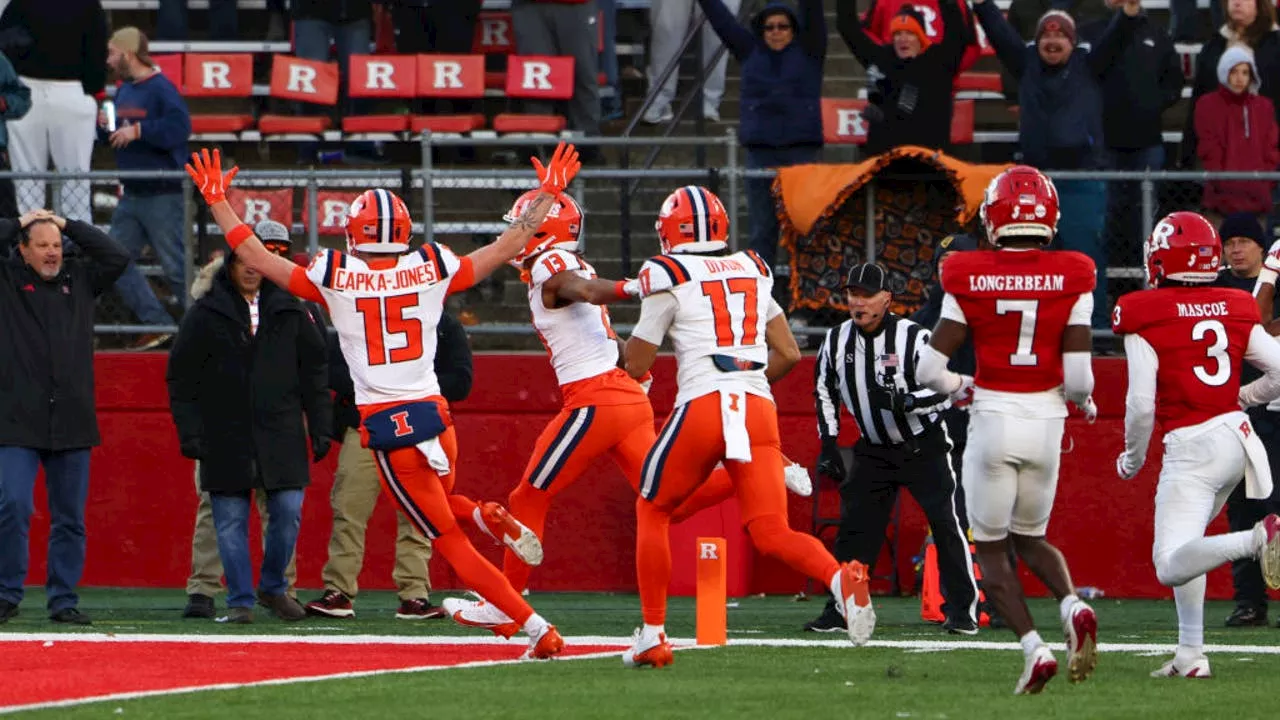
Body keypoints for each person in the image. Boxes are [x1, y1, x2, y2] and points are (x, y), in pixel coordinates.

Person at [185, 143, 582, 657]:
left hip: (392, 427)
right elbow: (509, 245)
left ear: (353, 233)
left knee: (446, 540)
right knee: (436, 512)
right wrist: (550, 193)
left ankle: (534, 627)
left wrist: (219, 200)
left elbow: (257, 256)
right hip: (439, 422)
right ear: (405, 232)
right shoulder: (433, 264)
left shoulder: (335, 275)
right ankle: (485, 515)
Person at [440, 188, 815, 631]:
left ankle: (506, 605)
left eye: (524, 229)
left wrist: (630, 288)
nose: (514, 237)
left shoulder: (551, 264)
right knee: (669, 505)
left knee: (528, 496)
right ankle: (765, 468)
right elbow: (604, 334)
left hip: (595, 399)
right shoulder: (563, 262)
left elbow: (585, 291)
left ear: (544, 233)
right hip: (626, 396)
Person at [619, 185, 874, 668]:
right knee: (771, 531)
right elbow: (790, 353)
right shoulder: (751, 266)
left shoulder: (666, 272)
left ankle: (652, 632)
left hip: (703, 403)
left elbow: (636, 363)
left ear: (670, 231)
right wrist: (746, 379)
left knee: (652, 508)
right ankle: (841, 579)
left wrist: (615, 340)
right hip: (756, 405)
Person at [916, 166, 1100, 694]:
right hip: (1046, 421)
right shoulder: (1074, 272)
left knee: (992, 549)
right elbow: (1081, 376)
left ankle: (1033, 648)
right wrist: (1082, 401)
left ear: (991, 218)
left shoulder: (968, 271)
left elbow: (929, 372)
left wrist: (964, 387)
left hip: (994, 416)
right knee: (1032, 538)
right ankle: (1072, 603)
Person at [1112, 210, 1280, 677]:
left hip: (1193, 446)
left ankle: (1257, 538)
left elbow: (1142, 404)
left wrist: (1133, 456)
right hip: (1238, 440)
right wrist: (1245, 397)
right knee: (1190, 549)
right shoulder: (1234, 303)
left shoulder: (1143, 311)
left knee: (1169, 564)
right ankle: (1191, 655)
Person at [166, 226, 333, 624]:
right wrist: (190, 432)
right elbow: (181, 376)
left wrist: (320, 425)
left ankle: (272, 587)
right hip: (224, 432)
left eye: (257, 260)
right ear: (231, 262)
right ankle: (240, 600)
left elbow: (315, 370)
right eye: (242, 259)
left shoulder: (294, 309)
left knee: (288, 510)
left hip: (282, 430)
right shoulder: (205, 312)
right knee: (228, 521)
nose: (251, 268)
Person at [806, 263, 979, 635]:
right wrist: (828, 443)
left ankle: (963, 610)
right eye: (853, 294)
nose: (858, 302)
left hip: (923, 445)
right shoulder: (836, 340)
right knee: (856, 529)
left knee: (946, 524)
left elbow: (944, 389)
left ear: (887, 299)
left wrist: (907, 402)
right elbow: (824, 390)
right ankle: (842, 608)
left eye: (867, 295)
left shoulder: (915, 337)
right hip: (874, 448)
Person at [307, 296, 475, 621]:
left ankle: (414, 594)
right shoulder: (361, 320)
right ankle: (339, 591)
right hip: (371, 426)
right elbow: (331, 370)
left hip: (415, 429)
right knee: (349, 508)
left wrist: (392, 388)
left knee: (418, 514)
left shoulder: (442, 325)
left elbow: (462, 381)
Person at [0, 209, 130, 625]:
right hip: (17, 420)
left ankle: (63, 599)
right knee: (13, 506)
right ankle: (6, 594)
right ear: (23, 251)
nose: (52, 253)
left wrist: (67, 224)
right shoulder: (6, 282)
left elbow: (117, 257)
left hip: (72, 421)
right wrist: (21, 220)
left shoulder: (81, 278)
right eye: (42, 246)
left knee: (70, 519)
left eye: (56, 246)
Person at [694, 0, 825, 269]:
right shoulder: (750, 51)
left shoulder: (810, 50)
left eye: (783, 26)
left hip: (800, 154)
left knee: (802, 230)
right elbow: (723, 21)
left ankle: (803, 304)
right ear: (761, 31)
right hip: (760, 154)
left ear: (793, 29)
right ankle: (762, 298)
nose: (776, 31)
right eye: (769, 27)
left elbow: (813, 11)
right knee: (761, 231)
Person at [101, 27, 192, 352]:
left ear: (127, 54)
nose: (109, 61)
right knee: (111, 260)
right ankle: (158, 323)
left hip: (163, 193)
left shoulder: (161, 88)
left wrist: (139, 131)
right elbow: (117, 136)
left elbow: (181, 128)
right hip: (133, 194)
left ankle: (208, 326)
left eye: (112, 53)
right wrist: (105, 129)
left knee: (177, 268)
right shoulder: (124, 91)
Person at [0, 0, 105, 221]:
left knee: (27, 181)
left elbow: (5, 42)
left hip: (28, 86)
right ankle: (77, 247)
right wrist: (92, 89)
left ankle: (29, 244)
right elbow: (97, 50)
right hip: (71, 90)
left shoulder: (21, 4)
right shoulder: (88, 5)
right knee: (76, 181)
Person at [836, 0, 970, 155]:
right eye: (897, 33)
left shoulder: (939, 61)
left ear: (921, 36)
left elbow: (957, 34)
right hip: (884, 162)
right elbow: (847, 26)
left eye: (910, 33)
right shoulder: (882, 58)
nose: (903, 39)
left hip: (929, 164)